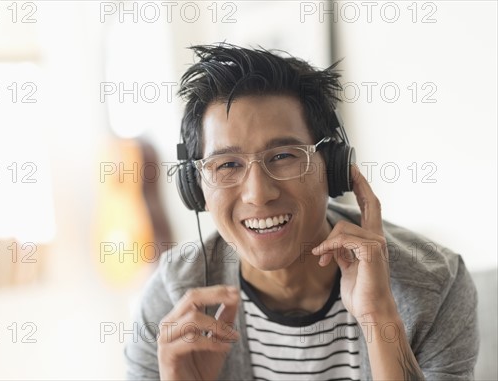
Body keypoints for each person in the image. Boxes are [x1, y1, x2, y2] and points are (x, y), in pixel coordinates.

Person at [124, 43, 479, 380]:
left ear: (334, 167)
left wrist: (381, 319)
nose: (258, 193)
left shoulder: (436, 286)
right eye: (227, 164)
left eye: (283, 157)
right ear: (195, 186)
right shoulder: (168, 308)